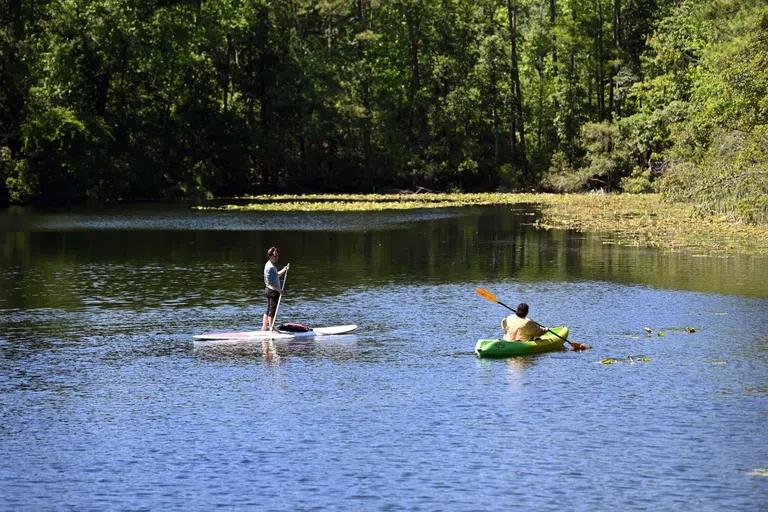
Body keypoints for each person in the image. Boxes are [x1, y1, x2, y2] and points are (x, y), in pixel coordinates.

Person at [262, 247, 290, 331]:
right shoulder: (270, 267)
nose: (276, 257)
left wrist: (284, 270)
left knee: (268, 309)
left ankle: (264, 327)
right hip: (272, 291)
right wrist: (279, 290)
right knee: (272, 310)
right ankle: (271, 328)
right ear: (269, 256)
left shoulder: (270, 265)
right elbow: (269, 282)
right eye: (274, 256)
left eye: (277, 255)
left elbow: (276, 275)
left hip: (270, 290)